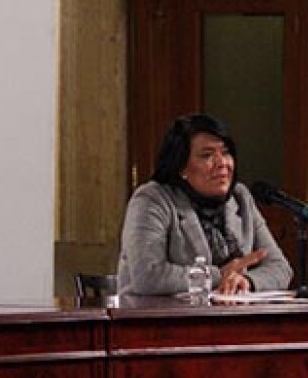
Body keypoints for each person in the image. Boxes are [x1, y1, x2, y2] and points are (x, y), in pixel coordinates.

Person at [118, 113, 293, 296]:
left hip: (227, 317)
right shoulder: (152, 199)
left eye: (225, 152)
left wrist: (246, 281)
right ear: (181, 167)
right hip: (155, 319)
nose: (222, 163)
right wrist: (220, 275)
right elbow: (147, 277)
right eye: (207, 155)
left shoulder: (240, 197)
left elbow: (280, 268)